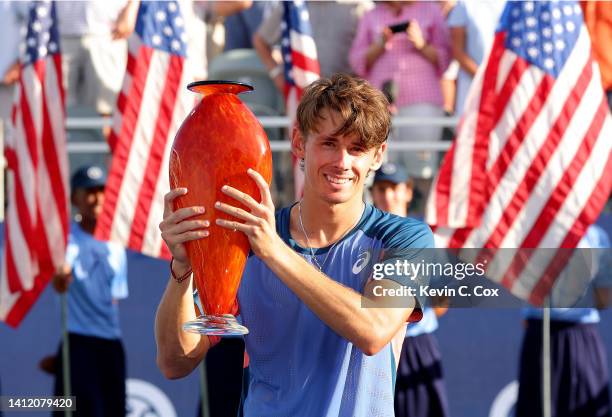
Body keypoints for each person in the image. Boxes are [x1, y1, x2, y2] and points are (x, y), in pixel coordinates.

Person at [155, 73, 434, 417]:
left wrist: (275, 251)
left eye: (357, 148)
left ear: (377, 156)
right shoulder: (251, 240)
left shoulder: (407, 238)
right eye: (329, 143)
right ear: (300, 143)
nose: (342, 162)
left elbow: (373, 330)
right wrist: (181, 270)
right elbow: (174, 362)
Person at [371, 162, 450, 417]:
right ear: (373, 193)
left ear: (408, 191)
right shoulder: (363, 238)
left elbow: (442, 301)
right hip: (375, 348)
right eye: (382, 188)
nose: (388, 195)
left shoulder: (426, 239)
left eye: (394, 188)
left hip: (416, 346)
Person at [51, 164, 128, 417]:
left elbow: (115, 298)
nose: (96, 198)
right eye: (89, 191)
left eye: (101, 190)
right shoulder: (67, 240)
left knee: (113, 410)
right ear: (75, 198)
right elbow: (60, 278)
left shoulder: (116, 244)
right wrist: (62, 277)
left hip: (110, 346)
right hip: (78, 344)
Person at [515, 224, 612, 417]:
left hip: (549, 337)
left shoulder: (529, 229)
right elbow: (604, 299)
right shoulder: (595, 236)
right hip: (571, 338)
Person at [349, 1, 451, 181]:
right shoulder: (371, 15)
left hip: (422, 102)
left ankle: (420, 207)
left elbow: (446, 58)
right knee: (381, 167)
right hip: (379, 103)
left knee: (422, 168)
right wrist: (379, 45)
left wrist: (421, 44)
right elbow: (357, 61)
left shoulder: (430, 10)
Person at [253, 1, 372, 93]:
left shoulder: (359, 6)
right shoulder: (292, 4)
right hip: (302, 97)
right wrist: (277, 75)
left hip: (346, 98)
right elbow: (260, 41)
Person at [447, 0, 504, 115]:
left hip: (505, 88)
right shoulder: (464, 4)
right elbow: (457, 51)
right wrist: (485, 78)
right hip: (471, 92)